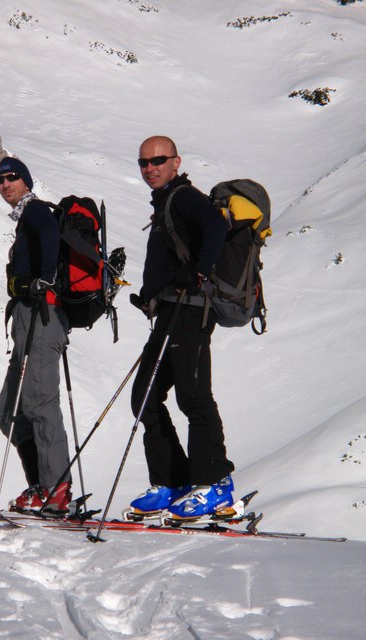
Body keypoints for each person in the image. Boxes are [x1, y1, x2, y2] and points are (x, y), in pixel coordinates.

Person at [128, 136, 235, 521]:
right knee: (145, 396)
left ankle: (215, 483)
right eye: (143, 162)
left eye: (158, 160)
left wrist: (199, 271)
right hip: (170, 311)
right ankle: (172, 482)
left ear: (176, 162)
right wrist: (149, 295)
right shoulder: (164, 204)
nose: (150, 167)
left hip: (191, 312)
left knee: (193, 398)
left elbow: (215, 228)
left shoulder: (185, 196)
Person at [0, 156, 72, 512]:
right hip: (28, 316)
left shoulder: (37, 211)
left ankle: (56, 488)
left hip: (43, 315)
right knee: (10, 411)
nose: (6, 183)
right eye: (0, 179)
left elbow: (51, 234)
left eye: (12, 177)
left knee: (40, 402)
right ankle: (42, 486)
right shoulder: (25, 218)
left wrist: (44, 278)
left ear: (26, 180)